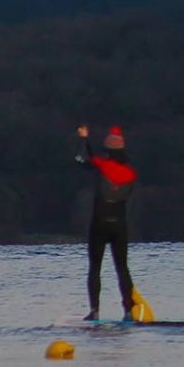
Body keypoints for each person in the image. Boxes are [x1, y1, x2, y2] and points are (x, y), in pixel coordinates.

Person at [75, 123, 138, 321]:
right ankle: (128, 311)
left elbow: (81, 159)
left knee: (95, 267)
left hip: (99, 224)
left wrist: (84, 139)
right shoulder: (130, 173)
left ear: (108, 150)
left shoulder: (101, 166)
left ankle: (94, 311)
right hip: (119, 225)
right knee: (122, 268)